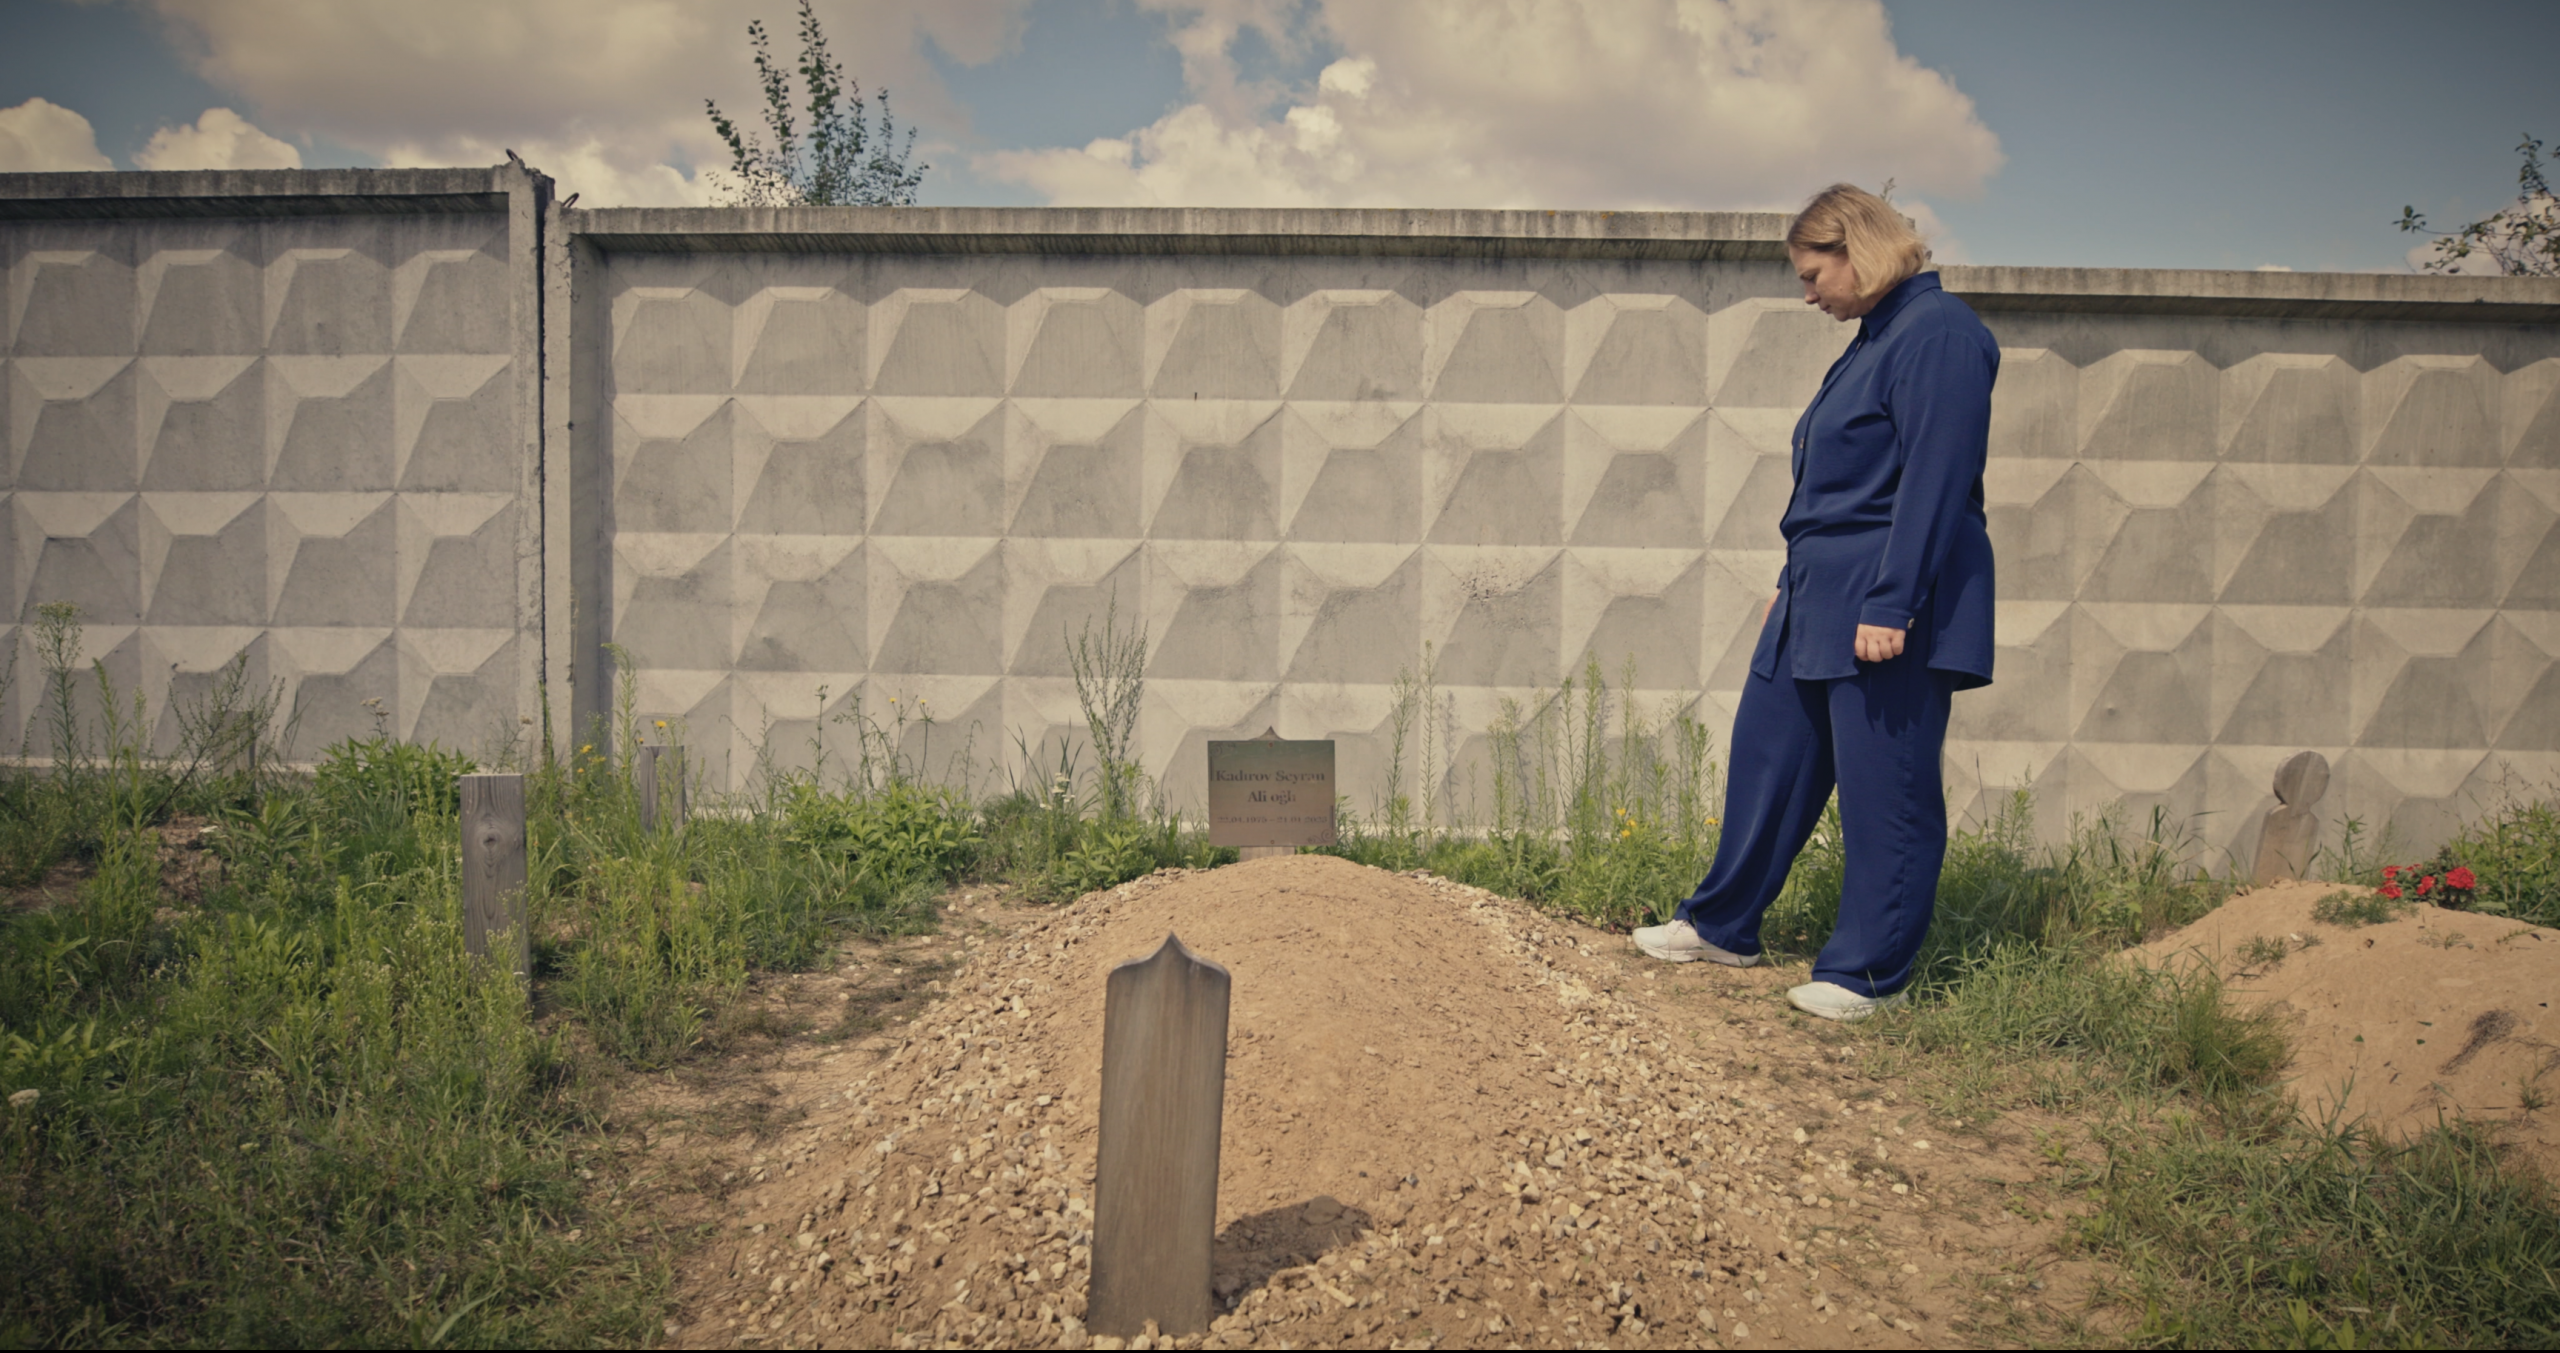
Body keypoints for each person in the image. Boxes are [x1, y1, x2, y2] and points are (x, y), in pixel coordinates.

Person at [1631, 183, 1998, 1022]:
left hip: (1888, 589)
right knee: (1769, 750)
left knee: (1886, 783)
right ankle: (1723, 923)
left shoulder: (1939, 334)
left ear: (1856, 247)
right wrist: (1790, 588)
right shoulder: (1876, 339)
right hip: (1818, 587)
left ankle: (1869, 973)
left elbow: (1934, 483)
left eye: (1812, 273)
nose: (1806, 294)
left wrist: (1892, 602)